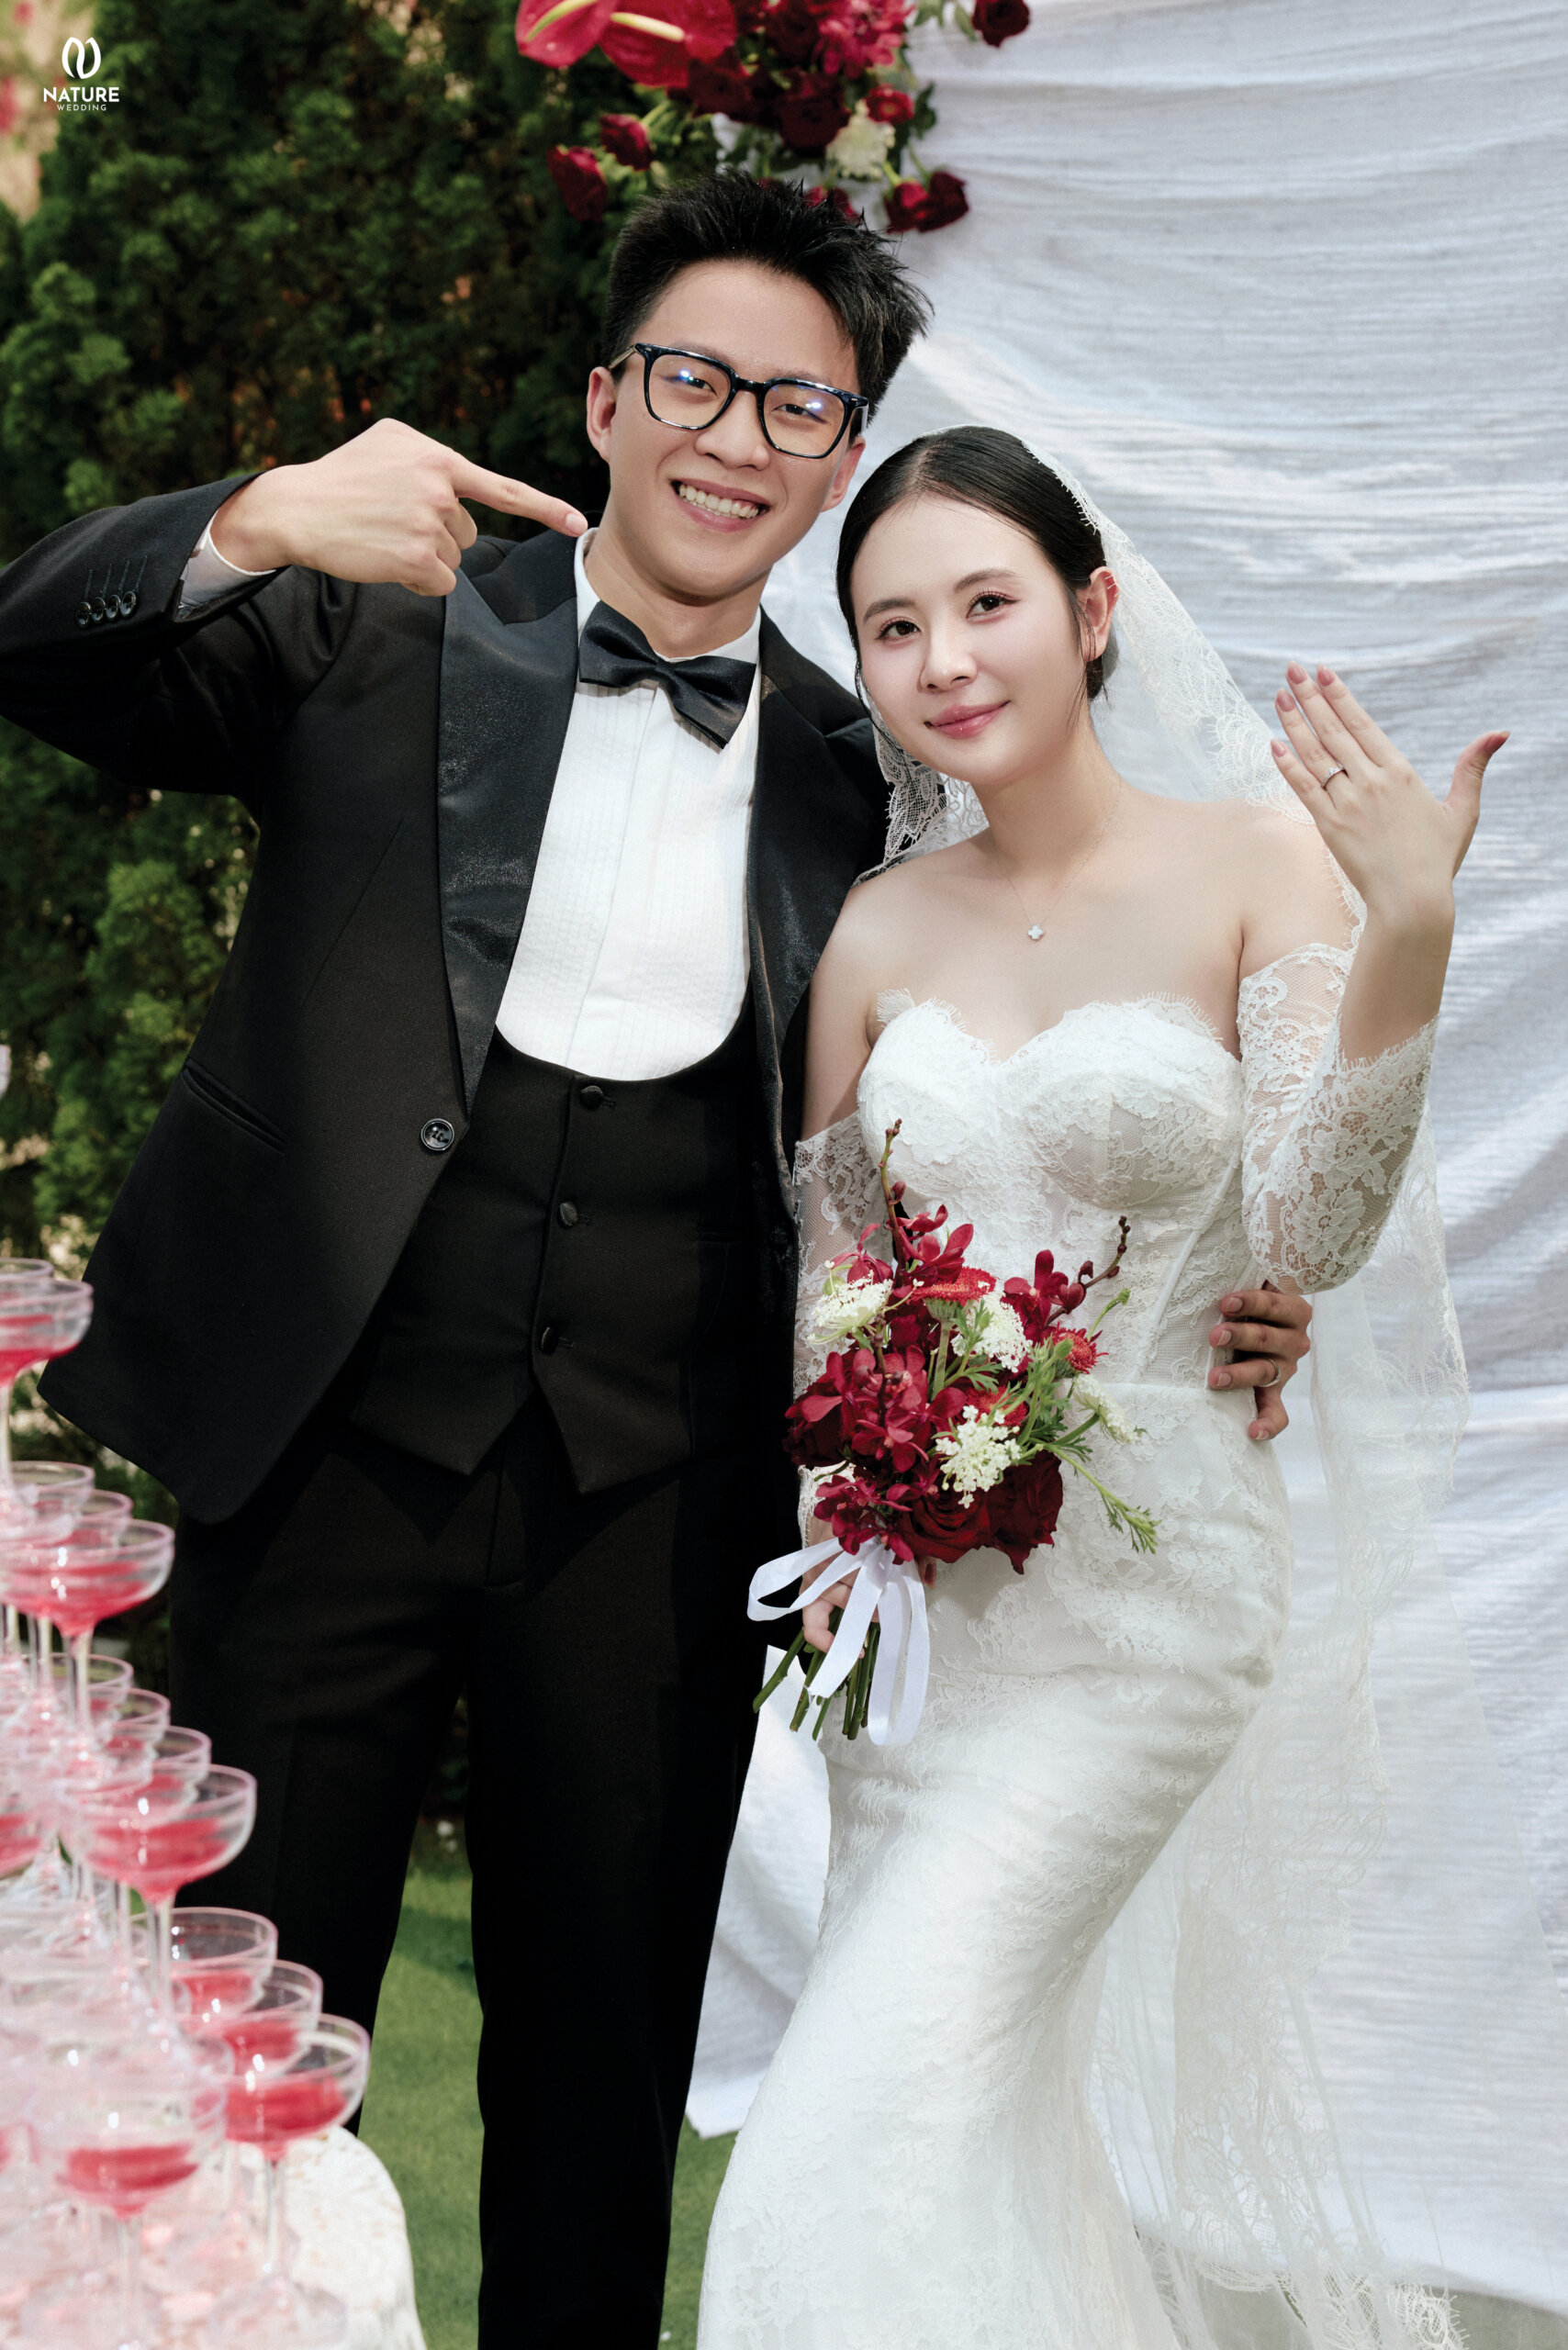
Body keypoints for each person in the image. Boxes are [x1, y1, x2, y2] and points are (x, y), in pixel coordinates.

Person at [0, 194, 1308, 2344]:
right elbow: (36, 648)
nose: (734, 436)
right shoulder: (379, 621)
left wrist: (1233, 1275)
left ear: (837, 454)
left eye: (797, 405)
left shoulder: (862, 771)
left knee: (597, 2112)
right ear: (607, 400)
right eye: (693, 379)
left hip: (658, 1501)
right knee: (226, 2049)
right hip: (316, 1452)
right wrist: (253, 514)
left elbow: (1019, 1045)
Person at [697, 427, 1504, 2349]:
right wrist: (860, 1497)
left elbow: (1304, 1219)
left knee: (854, 2119)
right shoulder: (878, 926)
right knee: (963, 2124)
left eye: (985, 602)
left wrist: (1404, 927)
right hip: (917, 1625)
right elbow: (835, 1286)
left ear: (1090, 609)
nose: (944, 657)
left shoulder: (1255, 865)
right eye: (894, 625)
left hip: (1145, 1607)